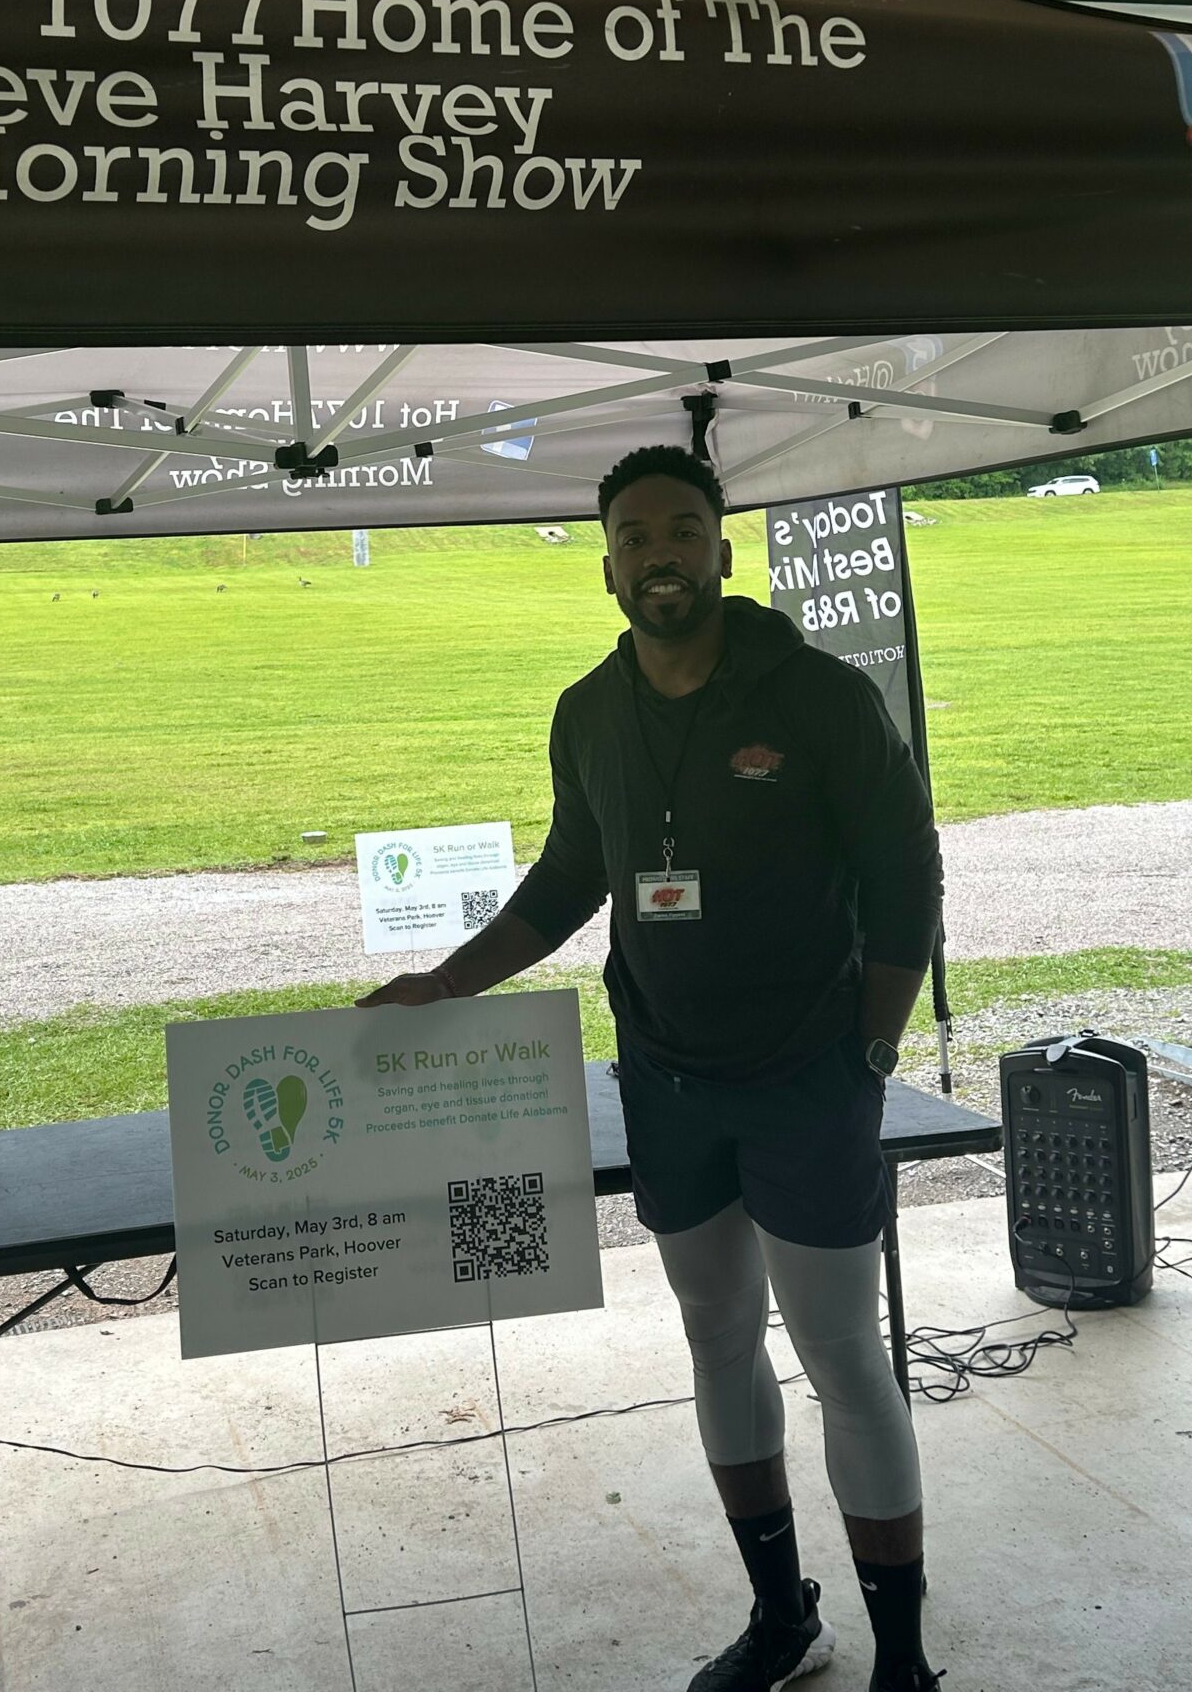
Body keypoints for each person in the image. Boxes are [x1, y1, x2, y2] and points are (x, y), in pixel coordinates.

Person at [359, 445, 945, 1692]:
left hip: (807, 1076)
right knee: (716, 1335)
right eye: (634, 534)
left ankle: (903, 1657)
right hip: (669, 1084)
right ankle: (784, 1615)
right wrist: (449, 980)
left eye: (684, 528)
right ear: (609, 563)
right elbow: (575, 876)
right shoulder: (587, 709)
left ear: (723, 552)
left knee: (842, 1352)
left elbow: (906, 871)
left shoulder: (821, 697)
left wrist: (878, 1038)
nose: (660, 552)